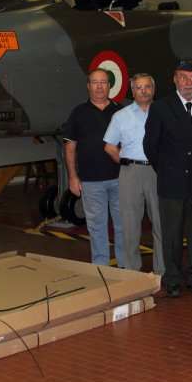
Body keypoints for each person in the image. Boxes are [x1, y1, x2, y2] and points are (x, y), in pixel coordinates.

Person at [143, 58, 192, 297]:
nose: (189, 82)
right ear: (175, 79)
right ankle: (173, 279)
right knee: (172, 234)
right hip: (172, 181)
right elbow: (150, 145)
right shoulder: (161, 107)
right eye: (184, 77)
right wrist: (165, 169)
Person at [103, 73, 163, 275]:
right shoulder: (121, 116)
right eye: (139, 87)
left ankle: (162, 271)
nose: (143, 90)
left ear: (153, 89)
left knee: (161, 223)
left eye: (147, 86)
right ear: (133, 91)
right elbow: (110, 146)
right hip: (130, 173)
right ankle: (131, 271)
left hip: (158, 172)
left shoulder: (164, 113)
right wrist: (126, 162)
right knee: (129, 225)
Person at [65, 69, 123, 266]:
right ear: (88, 86)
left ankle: (125, 267)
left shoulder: (120, 111)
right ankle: (101, 268)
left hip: (120, 179)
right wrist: (73, 176)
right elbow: (70, 146)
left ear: (109, 86)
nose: (99, 87)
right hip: (91, 182)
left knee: (123, 225)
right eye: (95, 82)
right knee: (97, 227)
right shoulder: (78, 113)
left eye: (103, 82)